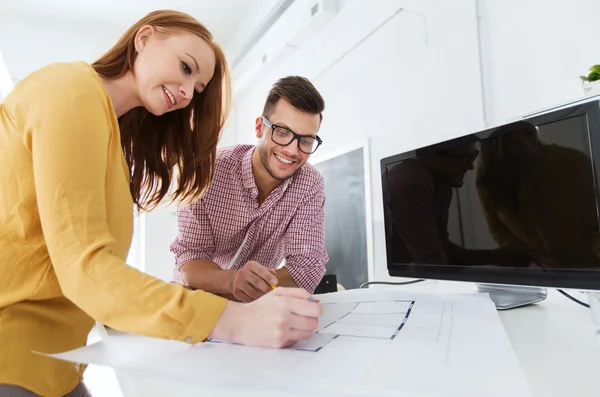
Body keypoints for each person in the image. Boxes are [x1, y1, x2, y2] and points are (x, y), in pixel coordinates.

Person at [0, 10, 322, 397]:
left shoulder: (110, 139)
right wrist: (230, 318)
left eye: (197, 88)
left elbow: (309, 264)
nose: (187, 93)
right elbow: (87, 268)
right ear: (144, 38)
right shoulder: (70, 89)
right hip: (14, 352)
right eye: (186, 67)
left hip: (59, 363)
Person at [171, 76, 328, 302]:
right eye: (282, 132)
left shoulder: (310, 184)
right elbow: (191, 257)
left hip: (255, 306)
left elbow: (306, 268)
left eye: (306, 140)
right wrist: (233, 281)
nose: (293, 151)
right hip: (195, 300)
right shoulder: (204, 172)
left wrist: (250, 288)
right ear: (259, 128)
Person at [476, 121, 600, 268]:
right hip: (542, 275)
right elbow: (499, 231)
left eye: (529, 133)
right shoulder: (489, 179)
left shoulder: (573, 162)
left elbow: (594, 226)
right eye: (512, 142)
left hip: (589, 271)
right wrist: (533, 260)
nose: (526, 144)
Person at [387, 142, 532, 267]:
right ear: (429, 155)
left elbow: (442, 249)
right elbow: (430, 260)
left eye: (472, 156)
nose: (470, 166)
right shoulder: (411, 184)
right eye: (462, 159)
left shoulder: (443, 186)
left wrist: (497, 256)